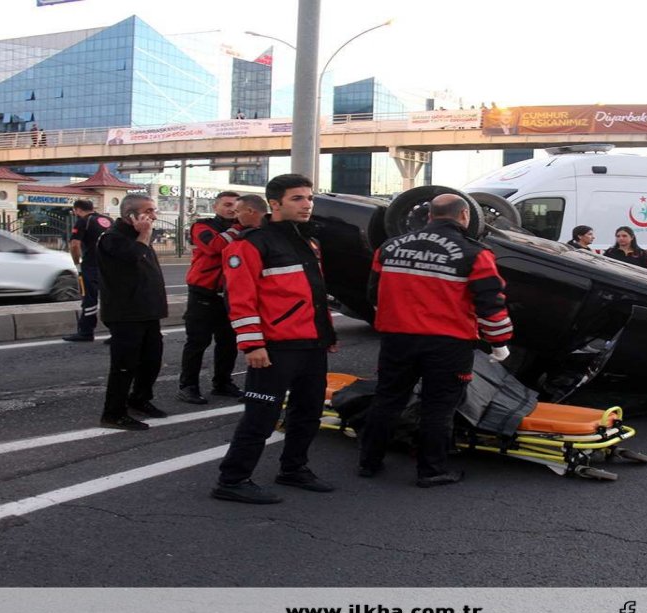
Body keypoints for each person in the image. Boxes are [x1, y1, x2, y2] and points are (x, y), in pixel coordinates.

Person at [360, 194, 512, 487]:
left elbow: (372, 294)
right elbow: (491, 304)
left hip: (397, 339)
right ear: (464, 215)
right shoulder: (475, 253)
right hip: (447, 344)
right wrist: (500, 343)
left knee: (387, 399)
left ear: (429, 215)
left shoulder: (389, 247)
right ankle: (432, 470)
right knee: (438, 407)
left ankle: (368, 462)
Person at [211, 174, 337, 505]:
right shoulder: (251, 244)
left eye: (309, 198)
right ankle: (232, 479)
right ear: (276, 204)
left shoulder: (308, 241)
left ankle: (294, 469)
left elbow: (314, 295)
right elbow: (239, 299)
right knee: (260, 417)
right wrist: (252, 345)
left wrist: (326, 335)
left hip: (311, 345)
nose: (307, 204)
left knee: (308, 413)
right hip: (275, 348)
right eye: (298, 198)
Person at [96, 194, 169, 430]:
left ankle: (139, 399)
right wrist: (144, 234)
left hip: (148, 311)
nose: (154, 216)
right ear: (131, 215)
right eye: (149, 211)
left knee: (151, 361)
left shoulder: (139, 238)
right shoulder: (112, 238)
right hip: (125, 313)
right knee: (125, 365)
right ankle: (113, 413)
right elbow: (133, 257)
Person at [176, 191, 252, 405]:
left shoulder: (247, 229)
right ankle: (188, 386)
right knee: (197, 342)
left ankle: (223, 383)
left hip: (229, 295)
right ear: (216, 206)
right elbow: (215, 247)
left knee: (228, 343)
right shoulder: (202, 226)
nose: (232, 209)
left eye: (236, 206)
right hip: (203, 293)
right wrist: (238, 227)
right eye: (227, 204)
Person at [63, 200, 112, 342]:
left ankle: (86, 331)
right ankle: (117, 332)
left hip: (91, 265)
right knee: (111, 299)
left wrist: (77, 263)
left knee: (89, 298)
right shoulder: (108, 220)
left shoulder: (83, 221)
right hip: (110, 266)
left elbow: (74, 245)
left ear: (77, 210)